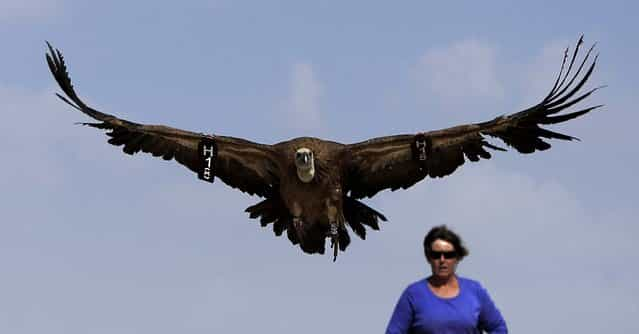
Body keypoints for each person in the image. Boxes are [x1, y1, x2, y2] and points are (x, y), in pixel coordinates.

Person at [386, 225, 507, 334]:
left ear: (458, 257)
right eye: (436, 255)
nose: (442, 260)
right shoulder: (413, 294)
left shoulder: (475, 291)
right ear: (428, 257)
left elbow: (498, 328)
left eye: (448, 255)